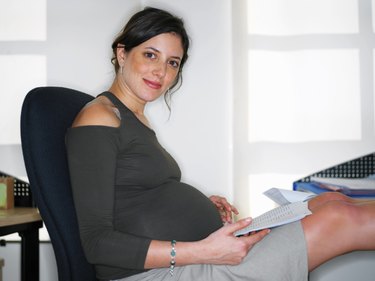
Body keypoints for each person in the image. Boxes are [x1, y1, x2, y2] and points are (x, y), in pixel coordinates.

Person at [66, 7, 375, 281]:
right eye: (150, 54)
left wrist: (197, 205)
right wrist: (204, 251)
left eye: (172, 62)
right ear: (122, 53)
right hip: (162, 273)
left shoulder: (134, 119)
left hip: (200, 253)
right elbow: (97, 243)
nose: (161, 71)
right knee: (340, 219)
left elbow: (131, 194)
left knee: (329, 203)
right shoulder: (101, 117)